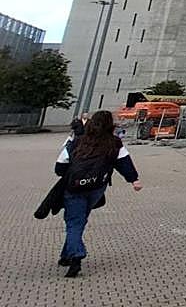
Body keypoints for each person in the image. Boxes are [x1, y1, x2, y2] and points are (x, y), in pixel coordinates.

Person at [54, 110, 142, 277]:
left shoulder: (78, 141)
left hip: (75, 187)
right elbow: (124, 162)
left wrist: (69, 173)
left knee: (74, 221)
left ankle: (76, 256)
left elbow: (60, 166)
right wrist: (134, 180)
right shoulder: (114, 143)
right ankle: (66, 255)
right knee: (79, 220)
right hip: (96, 187)